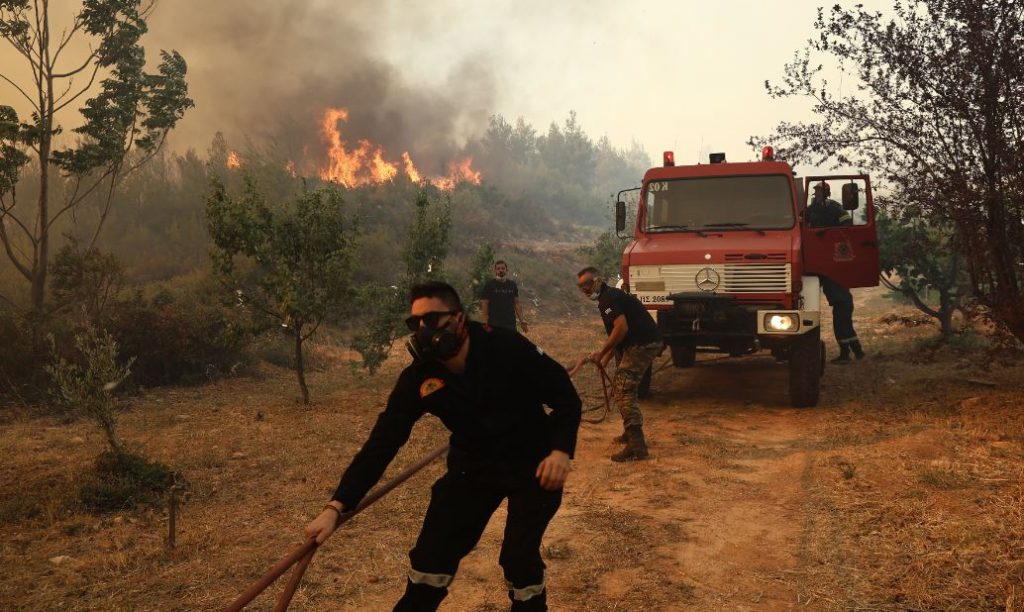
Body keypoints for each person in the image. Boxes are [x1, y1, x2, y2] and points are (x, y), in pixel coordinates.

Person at [305, 282, 581, 611]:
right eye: (415, 323)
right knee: (432, 554)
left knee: (518, 557)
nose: (423, 330)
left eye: (432, 319)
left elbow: (566, 398)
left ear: (459, 318)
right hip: (473, 467)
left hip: (534, 464)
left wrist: (560, 451)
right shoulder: (420, 377)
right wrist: (337, 506)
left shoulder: (506, 347)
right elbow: (383, 441)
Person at [576, 267, 662, 461]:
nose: (585, 289)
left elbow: (621, 329)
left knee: (623, 389)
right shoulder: (607, 297)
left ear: (598, 280)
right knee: (622, 386)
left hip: (643, 344)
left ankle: (637, 445)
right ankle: (629, 433)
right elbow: (618, 336)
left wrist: (602, 352)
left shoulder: (608, 299)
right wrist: (604, 359)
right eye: (581, 287)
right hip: (638, 343)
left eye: (588, 284)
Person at [806, 181, 866, 363]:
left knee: (841, 323)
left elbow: (846, 225)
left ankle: (848, 354)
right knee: (843, 323)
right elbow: (800, 223)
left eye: (820, 191)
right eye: (816, 191)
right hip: (816, 256)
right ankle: (858, 353)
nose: (817, 194)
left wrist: (830, 234)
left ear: (827, 193)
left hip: (829, 257)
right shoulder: (809, 210)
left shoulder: (836, 209)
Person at [481, 260, 529, 333]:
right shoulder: (489, 285)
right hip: (494, 323)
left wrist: (522, 320)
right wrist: (485, 322)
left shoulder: (512, 285)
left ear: (506, 270)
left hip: (510, 323)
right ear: (495, 271)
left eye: (503, 268)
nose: (501, 270)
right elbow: (485, 304)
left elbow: (516, 303)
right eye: (498, 268)